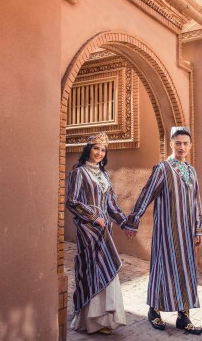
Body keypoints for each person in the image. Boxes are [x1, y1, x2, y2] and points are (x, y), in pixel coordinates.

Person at [123, 126, 202, 335]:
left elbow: (196, 202)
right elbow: (146, 194)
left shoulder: (192, 171)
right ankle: (154, 310)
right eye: (178, 143)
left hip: (187, 232)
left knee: (186, 271)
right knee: (163, 268)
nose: (182, 147)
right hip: (166, 231)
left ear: (190, 145)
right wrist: (133, 220)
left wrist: (198, 229)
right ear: (171, 144)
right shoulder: (162, 169)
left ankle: (183, 316)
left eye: (186, 143)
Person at [66, 132, 127, 335]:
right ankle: (89, 321)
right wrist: (93, 217)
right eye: (96, 148)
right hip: (88, 229)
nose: (99, 153)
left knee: (107, 270)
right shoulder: (79, 172)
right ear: (88, 150)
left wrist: (125, 222)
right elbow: (72, 202)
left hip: (104, 230)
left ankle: (104, 319)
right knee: (91, 269)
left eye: (103, 149)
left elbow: (111, 204)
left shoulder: (104, 175)